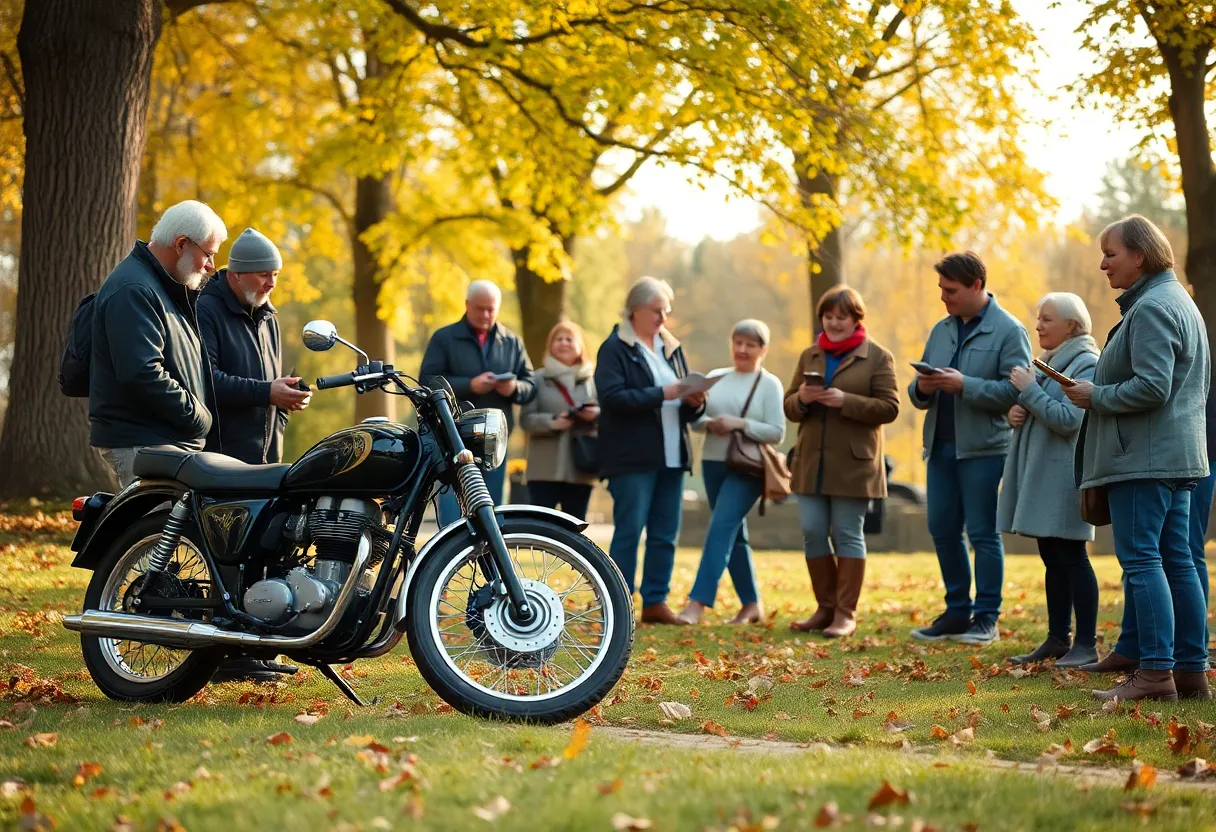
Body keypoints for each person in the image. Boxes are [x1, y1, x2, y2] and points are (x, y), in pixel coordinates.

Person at [1065, 215, 1210, 702]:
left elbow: (1153, 385)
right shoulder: (1180, 303)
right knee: (1179, 562)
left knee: (1143, 562)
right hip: (1174, 457)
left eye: (1111, 253)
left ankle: (1153, 675)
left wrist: (1095, 395)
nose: (1103, 264)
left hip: (1144, 460)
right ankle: (1190, 672)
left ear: (1140, 256)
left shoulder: (1151, 308)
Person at [908, 252, 1033, 646]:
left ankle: (986, 619)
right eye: (942, 289)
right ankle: (957, 612)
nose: (944, 297)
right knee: (942, 529)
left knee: (982, 533)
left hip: (984, 449)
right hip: (940, 448)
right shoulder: (941, 330)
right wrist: (921, 388)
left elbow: (1019, 390)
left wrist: (966, 386)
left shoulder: (1009, 331)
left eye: (951, 290)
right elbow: (917, 392)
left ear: (976, 286)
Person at [786, 288, 899, 638]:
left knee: (848, 534)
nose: (833, 323)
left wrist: (845, 400)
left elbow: (889, 407)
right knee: (813, 532)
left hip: (854, 464)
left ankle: (845, 614)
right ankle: (825, 608)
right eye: (828, 316)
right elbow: (789, 406)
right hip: (811, 463)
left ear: (855, 320)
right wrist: (802, 399)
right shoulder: (810, 355)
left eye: (841, 317)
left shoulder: (878, 357)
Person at [89, 200, 227, 486]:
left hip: (159, 442)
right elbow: (142, 373)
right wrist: (199, 417)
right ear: (181, 244)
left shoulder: (160, 284)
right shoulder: (135, 288)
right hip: (144, 443)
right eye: (208, 254)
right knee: (158, 530)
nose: (212, 266)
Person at [595, 276, 706, 624]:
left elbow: (685, 404)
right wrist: (664, 393)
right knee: (630, 530)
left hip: (672, 456)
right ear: (636, 310)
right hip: (632, 458)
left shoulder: (671, 347)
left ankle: (656, 602)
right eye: (657, 311)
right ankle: (619, 602)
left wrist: (696, 402)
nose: (663, 318)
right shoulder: (614, 348)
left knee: (665, 533)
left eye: (666, 312)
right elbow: (612, 399)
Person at [997, 292, 1100, 668]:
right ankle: (1059, 639)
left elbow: (1070, 419)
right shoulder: (1051, 363)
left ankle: (1086, 644)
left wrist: (1030, 392)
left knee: (1072, 555)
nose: (1038, 325)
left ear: (1071, 326)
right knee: (1051, 557)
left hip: (1066, 478)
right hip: (1044, 475)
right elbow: (1044, 409)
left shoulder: (1087, 362)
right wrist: (1017, 412)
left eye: (1047, 319)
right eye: (1038, 318)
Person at [677, 319, 785, 625]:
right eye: (738, 342)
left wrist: (739, 424)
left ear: (763, 350)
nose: (742, 349)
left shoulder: (769, 384)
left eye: (750, 344)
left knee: (720, 527)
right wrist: (710, 423)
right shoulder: (715, 378)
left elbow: (776, 431)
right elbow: (696, 421)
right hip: (713, 462)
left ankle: (697, 603)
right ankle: (752, 605)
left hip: (748, 468)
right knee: (733, 533)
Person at [420, 280, 537, 524]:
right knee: (454, 511)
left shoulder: (512, 342)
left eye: (491, 309)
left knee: (491, 511)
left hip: (495, 442)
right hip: (454, 439)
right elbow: (427, 381)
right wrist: (469, 385)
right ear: (467, 305)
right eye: (480, 309)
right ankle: (449, 559)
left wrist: (514, 388)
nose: (485, 314)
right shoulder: (444, 338)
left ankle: (490, 560)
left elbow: (531, 385)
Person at [197, 228, 310, 465]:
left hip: (267, 466)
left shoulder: (270, 319)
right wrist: (268, 392)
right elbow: (206, 382)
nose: (271, 284)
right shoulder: (205, 310)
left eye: (276, 274)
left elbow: (272, 384)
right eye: (263, 275)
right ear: (236, 274)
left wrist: (288, 397)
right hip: (220, 463)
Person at [519, 321, 600, 520]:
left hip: (581, 470)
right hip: (543, 470)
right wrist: (553, 422)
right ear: (550, 346)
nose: (564, 343)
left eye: (569, 339)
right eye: (558, 339)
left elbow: (608, 417)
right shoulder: (536, 379)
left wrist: (595, 415)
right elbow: (525, 420)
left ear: (580, 346)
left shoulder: (593, 382)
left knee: (575, 531)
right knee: (540, 529)